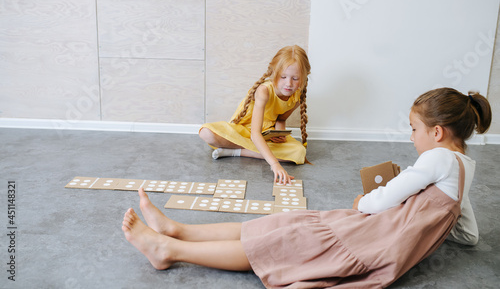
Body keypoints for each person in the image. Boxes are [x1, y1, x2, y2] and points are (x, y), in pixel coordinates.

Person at [122, 87, 491, 288]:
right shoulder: (463, 167)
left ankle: (169, 249)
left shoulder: (438, 158)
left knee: (280, 243)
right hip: (380, 236)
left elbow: (388, 197)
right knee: (280, 228)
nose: (412, 137)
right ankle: (177, 230)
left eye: (414, 129)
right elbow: (469, 233)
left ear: (437, 132)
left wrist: (365, 201)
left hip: (375, 236)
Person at [199, 45, 311, 185]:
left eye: (295, 78)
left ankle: (235, 152)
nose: (289, 83)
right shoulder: (264, 91)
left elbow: (281, 118)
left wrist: (278, 132)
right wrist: (275, 164)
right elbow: (254, 134)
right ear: (274, 73)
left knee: (299, 152)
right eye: (283, 77)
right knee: (206, 133)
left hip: (265, 135)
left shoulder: (296, 96)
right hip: (245, 131)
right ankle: (251, 151)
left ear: (304, 77)